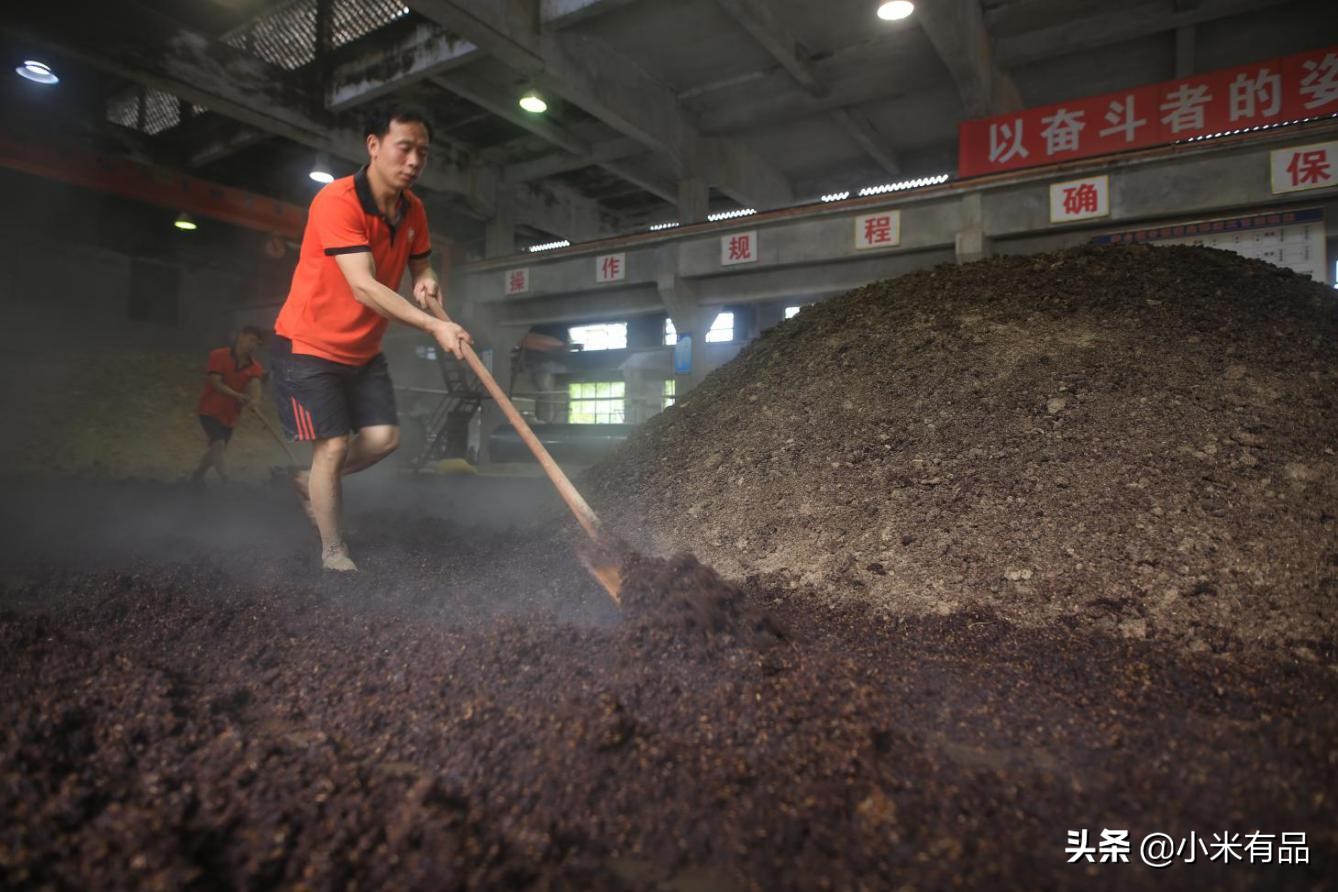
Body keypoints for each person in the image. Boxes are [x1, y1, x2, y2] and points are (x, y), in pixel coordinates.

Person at [269, 106, 472, 572]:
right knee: (334, 446)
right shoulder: (337, 201)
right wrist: (434, 325)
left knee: (383, 439)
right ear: (374, 145)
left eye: (423, 151)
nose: (415, 160)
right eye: (405, 147)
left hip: (362, 349)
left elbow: (420, 260)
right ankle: (333, 549)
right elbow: (363, 284)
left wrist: (427, 277)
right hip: (308, 347)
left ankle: (308, 482)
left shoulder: (413, 208)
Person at [192, 326, 267, 485]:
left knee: (216, 449)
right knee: (218, 444)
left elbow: (255, 385)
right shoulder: (218, 355)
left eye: (257, 343)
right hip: (209, 409)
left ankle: (197, 477)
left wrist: (255, 400)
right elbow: (216, 383)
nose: (253, 345)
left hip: (230, 415)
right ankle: (226, 480)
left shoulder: (255, 367)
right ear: (241, 336)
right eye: (251, 340)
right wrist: (238, 395)